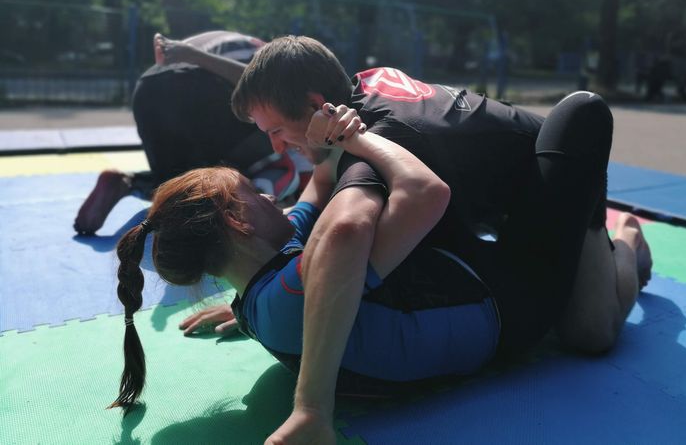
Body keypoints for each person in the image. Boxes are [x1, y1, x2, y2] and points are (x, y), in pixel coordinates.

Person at [149, 35, 651, 443]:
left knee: (590, 331)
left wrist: (311, 404)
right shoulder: (334, 114)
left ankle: (621, 239)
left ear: (317, 107)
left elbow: (348, 226)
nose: (275, 146)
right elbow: (307, 159)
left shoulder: (369, 142)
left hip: (542, 172)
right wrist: (247, 293)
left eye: (278, 130)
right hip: (470, 205)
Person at [74, 31, 300, 235]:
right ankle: (248, 203)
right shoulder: (272, 61)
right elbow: (257, 85)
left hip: (148, 90)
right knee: (279, 148)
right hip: (199, 87)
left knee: (179, 182)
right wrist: (194, 56)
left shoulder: (236, 43)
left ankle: (127, 183)